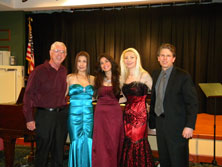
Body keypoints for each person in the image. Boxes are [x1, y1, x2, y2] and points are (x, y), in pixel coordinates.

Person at [149, 43, 198, 167]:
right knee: (164, 159)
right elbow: (155, 99)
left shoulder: (183, 76)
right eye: (162, 55)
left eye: (168, 56)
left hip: (178, 126)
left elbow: (192, 103)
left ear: (173, 58)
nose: (165, 58)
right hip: (160, 124)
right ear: (158, 58)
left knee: (178, 161)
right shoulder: (155, 74)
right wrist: (153, 121)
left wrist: (189, 126)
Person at [23, 41, 68, 167]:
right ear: (50, 53)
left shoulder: (64, 71)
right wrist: (29, 119)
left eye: (62, 52)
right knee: (42, 154)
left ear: (65, 55)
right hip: (44, 117)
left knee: (59, 153)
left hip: (61, 117)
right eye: (56, 51)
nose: (59, 54)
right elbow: (28, 95)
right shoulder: (38, 71)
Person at [120, 48, 154, 167]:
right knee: (128, 141)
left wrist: (150, 106)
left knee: (137, 141)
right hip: (127, 115)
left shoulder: (144, 75)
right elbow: (124, 98)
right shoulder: (123, 77)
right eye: (126, 58)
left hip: (140, 115)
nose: (129, 60)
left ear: (137, 59)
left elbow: (156, 94)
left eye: (132, 57)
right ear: (123, 60)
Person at [92, 54, 124, 167]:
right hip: (100, 114)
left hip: (114, 114)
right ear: (100, 66)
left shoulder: (120, 77)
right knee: (100, 142)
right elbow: (93, 96)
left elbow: (125, 96)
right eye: (101, 63)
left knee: (113, 141)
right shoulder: (97, 79)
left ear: (111, 62)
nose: (104, 64)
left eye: (106, 61)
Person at [66, 51, 94, 167]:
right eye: (79, 61)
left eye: (84, 61)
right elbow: (61, 95)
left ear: (88, 64)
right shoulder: (70, 77)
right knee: (76, 141)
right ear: (76, 63)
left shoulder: (93, 79)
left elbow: (98, 96)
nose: (81, 64)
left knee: (88, 140)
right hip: (74, 115)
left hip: (88, 115)